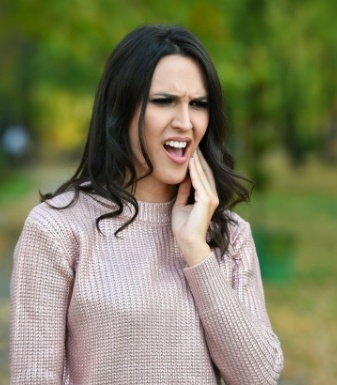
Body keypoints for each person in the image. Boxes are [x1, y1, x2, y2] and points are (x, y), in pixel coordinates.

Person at [10, 24, 283, 385]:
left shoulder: (228, 235)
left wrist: (196, 251)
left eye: (198, 104)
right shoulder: (57, 229)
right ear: (121, 109)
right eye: (164, 101)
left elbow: (260, 377)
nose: (185, 123)